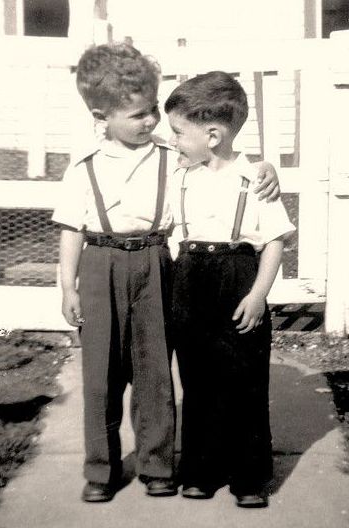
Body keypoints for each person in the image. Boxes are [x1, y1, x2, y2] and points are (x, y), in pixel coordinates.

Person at [52, 43, 280, 503]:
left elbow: (223, 156)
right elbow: (71, 231)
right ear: (102, 115)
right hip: (100, 263)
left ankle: (158, 464)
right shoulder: (83, 167)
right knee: (101, 372)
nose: (151, 121)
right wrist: (67, 287)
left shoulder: (171, 157)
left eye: (154, 110)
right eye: (138, 115)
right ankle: (101, 469)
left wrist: (266, 167)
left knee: (155, 368)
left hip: (156, 262)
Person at [164, 71, 295, 508]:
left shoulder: (254, 180)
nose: (174, 141)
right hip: (189, 277)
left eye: (180, 132)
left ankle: (250, 477)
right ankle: (201, 470)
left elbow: (275, 240)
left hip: (238, 276)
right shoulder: (183, 174)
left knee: (244, 382)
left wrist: (258, 295)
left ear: (213, 135)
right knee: (197, 380)